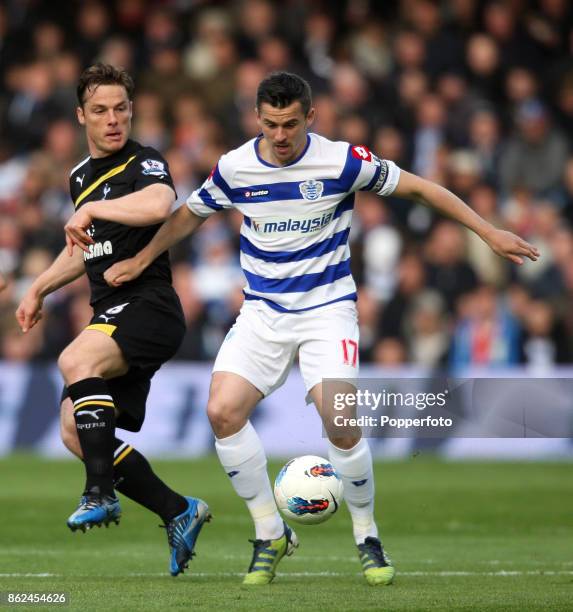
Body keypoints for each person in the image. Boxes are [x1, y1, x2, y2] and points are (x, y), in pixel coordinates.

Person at [97, 72, 539, 586]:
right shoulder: (236, 167)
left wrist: (487, 232)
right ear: (256, 119)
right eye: (269, 124)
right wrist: (144, 257)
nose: (280, 136)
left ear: (310, 117)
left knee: (340, 418)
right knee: (221, 411)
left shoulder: (342, 161)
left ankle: (366, 535)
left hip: (327, 309)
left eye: (289, 124)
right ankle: (269, 535)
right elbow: (189, 215)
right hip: (263, 312)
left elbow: (419, 188)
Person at [15, 63, 210, 577]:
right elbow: (86, 251)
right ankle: (179, 510)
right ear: (81, 115)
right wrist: (37, 288)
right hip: (112, 314)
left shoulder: (143, 164)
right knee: (74, 433)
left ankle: (100, 492)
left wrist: (96, 211)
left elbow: (159, 204)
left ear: (132, 111)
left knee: (74, 357)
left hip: (149, 305)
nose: (112, 119)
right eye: (100, 110)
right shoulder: (79, 176)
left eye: (121, 108)